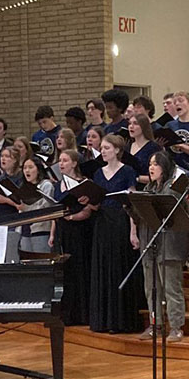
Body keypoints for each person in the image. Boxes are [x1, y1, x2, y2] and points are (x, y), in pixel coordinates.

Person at [87, 133, 143, 333]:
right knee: (104, 267)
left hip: (121, 221)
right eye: (101, 148)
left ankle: (119, 320)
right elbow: (96, 203)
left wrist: (133, 232)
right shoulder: (97, 173)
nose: (102, 151)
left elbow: (131, 204)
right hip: (102, 222)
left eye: (107, 148)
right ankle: (103, 319)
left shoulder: (127, 171)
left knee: (118, 267)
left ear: (117, 150)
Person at [131, 152, 187, 342]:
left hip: (169, 245)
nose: (151, 167)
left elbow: (172, 212)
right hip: (149, 242)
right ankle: (156, 324)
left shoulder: (173, 187)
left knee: (171, 288)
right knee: (151, 288)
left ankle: (177, 327)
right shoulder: (147, 187)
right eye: (149, 164)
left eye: (156, 164)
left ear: (165, 166)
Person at [51, 150, 94, 326]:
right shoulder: (57, 185)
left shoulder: (83, 183)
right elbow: (55, 211)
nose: (61, 164)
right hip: (62, 231)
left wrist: (72, 217)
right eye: (60, 160)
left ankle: (81, 314)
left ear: (74, 163)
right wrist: (52, 233)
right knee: (63, 273)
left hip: (78, 231)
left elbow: (88, 210)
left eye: (65, 160)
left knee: (78, 271)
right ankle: (65, 315)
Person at [18, 156, 56, 253]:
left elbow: (45, 208)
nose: (27, 171)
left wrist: (25, 208)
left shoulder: (46, 185)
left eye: (30, 167)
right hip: (25, 230)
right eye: (25, 168)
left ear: (38, 170)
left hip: (40, 230)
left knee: (41, 261)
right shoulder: (24, 187)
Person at [126, 114, 161, 185]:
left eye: (135, 123)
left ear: (143, 127)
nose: (131, 126)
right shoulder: (127, 146)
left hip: (145, 188)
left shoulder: (153, 147)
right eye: (129, 123)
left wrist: (136, 178)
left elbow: (158, 176)